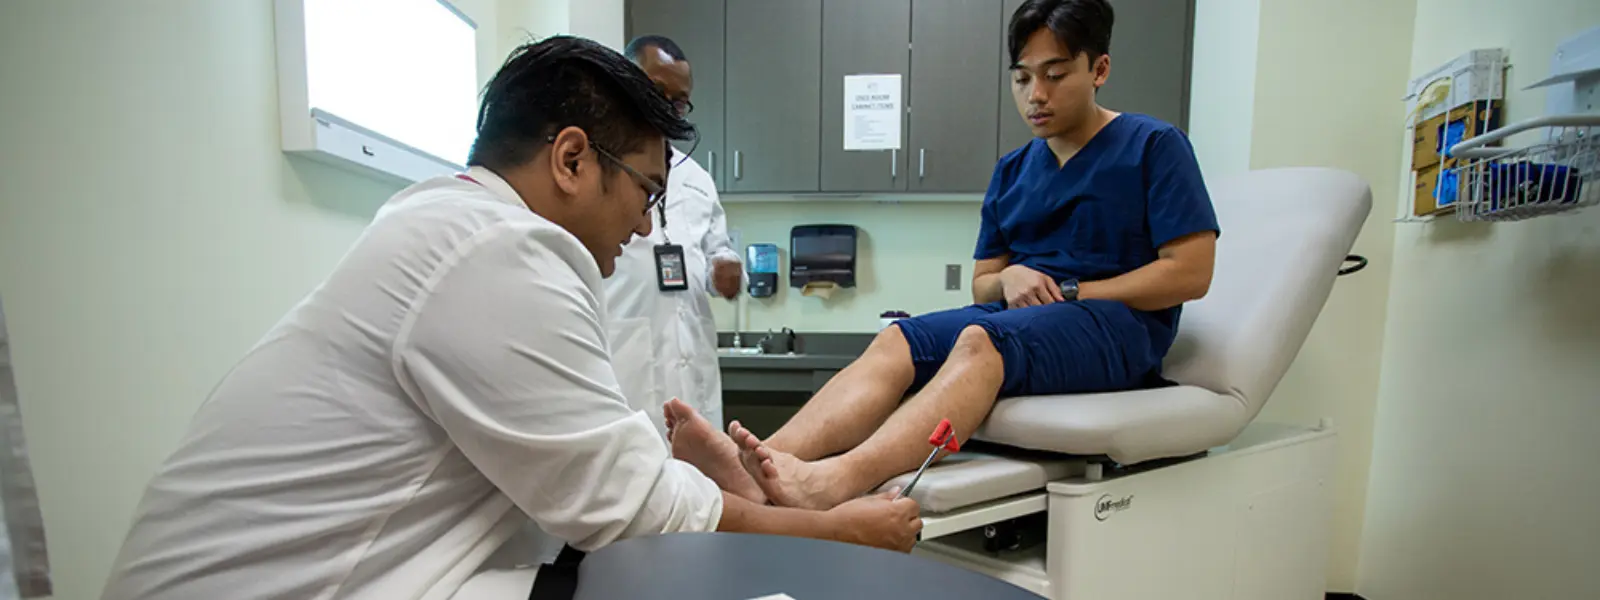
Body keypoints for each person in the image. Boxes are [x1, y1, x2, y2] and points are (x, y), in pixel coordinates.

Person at [99, 36, 919, 600]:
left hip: (330, 572)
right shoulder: (495, 249)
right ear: (570, 159)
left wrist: (689, 475)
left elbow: (583, 455)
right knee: (660, 573)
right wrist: (832, 534)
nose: (645, 225)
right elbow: (622, 505)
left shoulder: (454, 229)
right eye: (644, 191)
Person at [727, 0, 1221, 511]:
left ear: (1099, 69)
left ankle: (837, 479)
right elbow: (983, 281)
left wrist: (1073, 291)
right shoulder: (1013, 170)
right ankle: (754, 465)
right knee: (897, 339)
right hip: (1024, 320)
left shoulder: (1154, 146)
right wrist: (1010, 281)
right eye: (1022, 79)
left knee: (980, 340)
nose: (1036, 96)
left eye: (1055, 75)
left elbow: (1191, 272)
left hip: (1118, 330)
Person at [605, 35, 742, 438]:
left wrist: (725, 268)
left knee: (705, 487)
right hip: (626, 373)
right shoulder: (598, 165)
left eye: (678, 101)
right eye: (656, 92)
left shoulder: (697, 178)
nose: (667, 109)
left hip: (693, 373)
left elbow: (717, 252)